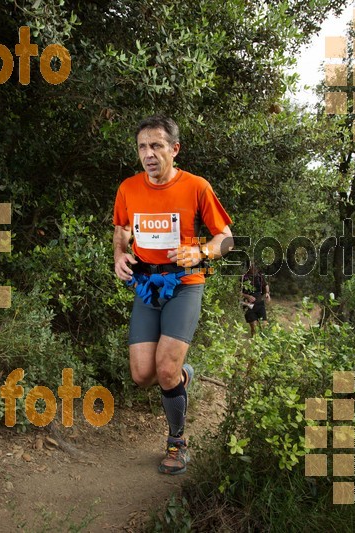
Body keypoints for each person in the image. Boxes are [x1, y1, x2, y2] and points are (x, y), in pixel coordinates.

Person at [113, 116, 233, 475]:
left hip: (185, 283)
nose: (148, 154)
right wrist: (120, 254)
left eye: (156, 146)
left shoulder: (196, 187)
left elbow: (226, 238)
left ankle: (177, 442)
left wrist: (201, 252)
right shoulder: (129, 188)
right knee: (142, 375)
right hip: (146, 285)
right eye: (142, 147)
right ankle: (183, 376)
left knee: (165, 370)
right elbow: (121, 229)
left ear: (174, 149)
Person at [240, 263, 270, 337]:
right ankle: (254, 344)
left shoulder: (260, 276)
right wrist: (247, 296)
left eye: (255, 267)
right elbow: (237, 292)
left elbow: (266, 285)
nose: (254, 269)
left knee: (264, 326)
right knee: (254, 328)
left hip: (260, 304)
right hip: (248, 305)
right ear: (248, 268)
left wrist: (267, 293)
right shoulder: (243, 277)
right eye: (252, 267)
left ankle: (262, 344)